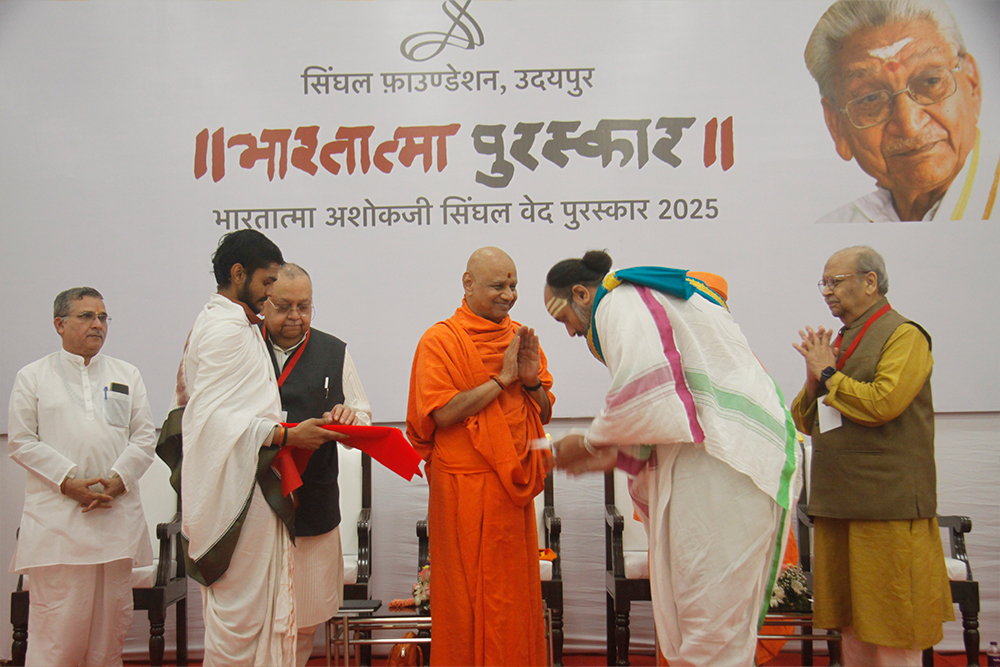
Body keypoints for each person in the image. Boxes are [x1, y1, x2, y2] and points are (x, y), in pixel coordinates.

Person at [544, 251, 800, 667]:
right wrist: (609, 453)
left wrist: (590, 443)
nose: (571, 331)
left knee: (709, 624)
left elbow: (646, 387)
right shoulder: (644, 297)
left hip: (723, 462)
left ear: (580, 294)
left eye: (563, 318)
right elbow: (669, 405)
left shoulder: (618, 300)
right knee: (699, 622)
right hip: (713, 459)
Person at [161, 229, 343, 666]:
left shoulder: (239, 326)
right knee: (241, 621)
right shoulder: (223, 330)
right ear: (238, 273)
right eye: (267, 282)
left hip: (254, 486)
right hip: (235, 496)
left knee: (262, 614)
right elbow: (211, 422)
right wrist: (288, 436)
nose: (271, 292)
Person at [791, 246, 953, 666]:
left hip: (887, 503)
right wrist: (814, 379)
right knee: (851, 624)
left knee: (895, 622)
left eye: (836, 281)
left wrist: (829, 373)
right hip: (839, 501)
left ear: (870, 282)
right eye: (823, 283)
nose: (827, 291)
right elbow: (805, 421)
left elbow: (884, 402)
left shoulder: (904, 335)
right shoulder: (841, 340)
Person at [406, 246, 554, 666]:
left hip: (511, 490)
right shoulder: (440, 341)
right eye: (498, 286)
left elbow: (543, 411)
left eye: (513, 285)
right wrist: (501, 379)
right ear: (468, 284)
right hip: (461, 489)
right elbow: (442, 412)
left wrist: (529, 383)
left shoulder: (520, 337)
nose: (509, 295)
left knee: (512, 597)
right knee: (464, 596)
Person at [8, 287, 156, 667]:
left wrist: (119, 479)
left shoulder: (126, 373)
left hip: (114, 519)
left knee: (110, 632)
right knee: (58, 632)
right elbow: (21, 441)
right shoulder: (33, 376)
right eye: (87, 316)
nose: (97, 324)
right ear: (59, 324)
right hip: (59, 525)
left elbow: (143, 437)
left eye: (103, 317)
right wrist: (67, 482)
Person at [260, 263, 373, 666]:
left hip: (312, 500)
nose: (295, 316)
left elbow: (363, 416)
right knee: (255, 618)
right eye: (284, 307)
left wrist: (347, 417)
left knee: (304, 619)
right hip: (254, 501)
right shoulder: (243, 347)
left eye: (304, 306)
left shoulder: (332, 351)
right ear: (263, 304)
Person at [805, 0, 997, 222]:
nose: (909, 125)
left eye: (931, 81)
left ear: (972, 86)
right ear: (836, 126)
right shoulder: (834, 228)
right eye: (871, 98)